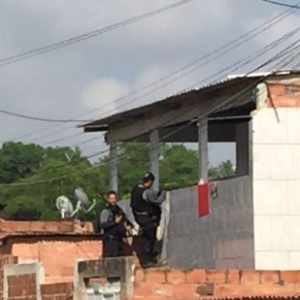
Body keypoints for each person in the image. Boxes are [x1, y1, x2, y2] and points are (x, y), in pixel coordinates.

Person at [130, 172, 166, 268]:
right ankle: (146, 261)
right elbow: (157, 201)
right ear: (150, 182)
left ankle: (148, 259)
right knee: (148, 239)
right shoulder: (146, 192)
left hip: (139, 218)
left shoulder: (135, 189)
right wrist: (163, 193)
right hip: (147, 219)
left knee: (145, 239)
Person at [100, 190, 132, 258]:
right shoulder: (106, 211)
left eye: (114, 198)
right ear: (108, 199)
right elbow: (102, 225)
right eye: (111, 198)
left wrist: (127, 226)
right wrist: (115, 223)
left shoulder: (118, 210)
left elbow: (124, 220)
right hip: (110, 240)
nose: (113, 200)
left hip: (119, 240)